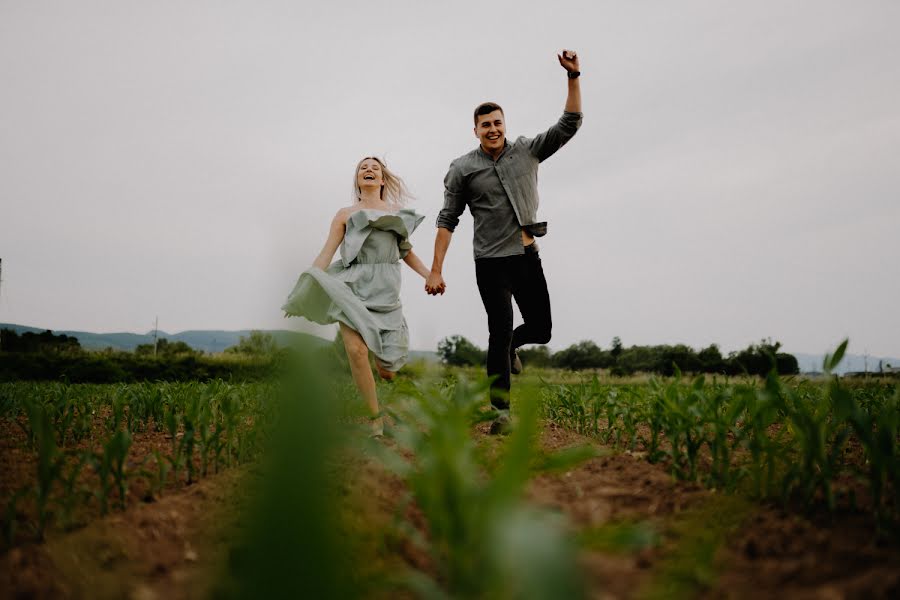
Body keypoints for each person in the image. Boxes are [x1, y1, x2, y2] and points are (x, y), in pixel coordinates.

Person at [425, 49, 583, 433]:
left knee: (542, 330)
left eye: (497, 123)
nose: (492, 129)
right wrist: (436, 269)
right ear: (475, 130)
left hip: (528, 256)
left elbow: (570, 123)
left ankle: (514, 345)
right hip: (491, 264)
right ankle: (501, 414)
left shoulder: (527, 151)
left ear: (504, 124)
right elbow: (448, 219)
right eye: (485, 125)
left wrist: (573, 76)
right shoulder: (462, 169)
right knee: (498, 331)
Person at [282, 157, 429, 436]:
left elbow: (406, 252)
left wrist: (430, 274)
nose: (369, 169)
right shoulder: (344, 214)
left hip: (385, 291)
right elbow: (326, 254)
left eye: (375, 167)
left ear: (383, 180)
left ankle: (383, 359)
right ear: (358, 180)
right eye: (363, 167)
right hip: (350, 287)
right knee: (356, 351)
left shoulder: (398, 214)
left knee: (388, 371)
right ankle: (375, 417)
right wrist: (302, 292)